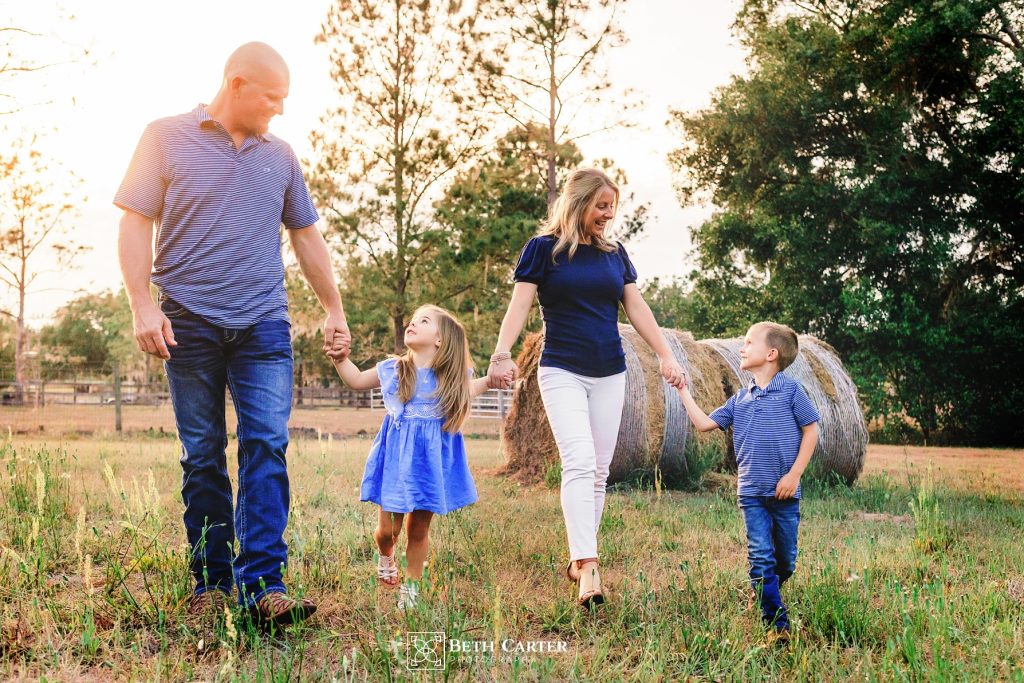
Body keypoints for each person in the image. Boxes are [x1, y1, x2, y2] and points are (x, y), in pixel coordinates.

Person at [114, 42, 349, 626]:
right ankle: (212, 583)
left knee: (267, 445)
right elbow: (135, 220)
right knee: (203, 456)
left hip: (264, 324)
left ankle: (264, 584)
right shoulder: (164, 137)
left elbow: (307, 237)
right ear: (236, 83)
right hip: (187, 322)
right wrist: (142, 304)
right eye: (273, 97)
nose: (280, 109)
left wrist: (334, 310)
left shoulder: (282, 158)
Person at [487, 168, 685, 607]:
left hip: (611, 371)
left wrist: (666, 354)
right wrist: (502, 351)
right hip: (561, 370)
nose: (608, 214)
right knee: (577, 460)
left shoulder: (615, 255)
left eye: (612, 206)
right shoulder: (542, 251)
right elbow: (520, 305)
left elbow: (636, 306)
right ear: (578, 203)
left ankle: (579, 559)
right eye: (601, 205)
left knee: (598, 471)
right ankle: (589, 565)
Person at [332, 305, 504, 609]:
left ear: (441, 339)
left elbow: (470, 389)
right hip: (396, 463)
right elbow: (356, 380)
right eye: (412, 320)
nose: (412, 324)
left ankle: (410, 589)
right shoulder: (395, 369)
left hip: (428, 466)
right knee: (388, 531)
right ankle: (386, 555)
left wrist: (491, 381)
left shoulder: (450, 379)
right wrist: (341, 359)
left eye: (423, 321)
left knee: (418, 529)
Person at [676, 321, 820, 642]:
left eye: (748, 342)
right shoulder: (739, 399)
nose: (741, 348)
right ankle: (776, 622)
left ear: (771, 354)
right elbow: (702, 424)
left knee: (786, 561)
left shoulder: (792, 391)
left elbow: (812, 431)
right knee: (761, 555)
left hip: (786, 493)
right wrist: (683, 390)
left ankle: (765, 586)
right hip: (752, 494)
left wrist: (795, 473)